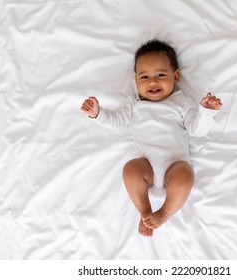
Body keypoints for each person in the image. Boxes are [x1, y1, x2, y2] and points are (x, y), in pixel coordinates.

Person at [81, 39, 222, 237]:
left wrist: (206, 112)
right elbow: (115, 120)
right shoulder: (134, 105)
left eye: (161, 75)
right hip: (145, 166)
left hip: (175, 166)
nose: (152, 82)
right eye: (144, 76)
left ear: (176, 76)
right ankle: (145, 212)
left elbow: (196, 128)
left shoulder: (181, 102)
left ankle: (164, 213)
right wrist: (98, 113)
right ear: (136, 80)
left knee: (186, 175)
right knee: (130, 169)